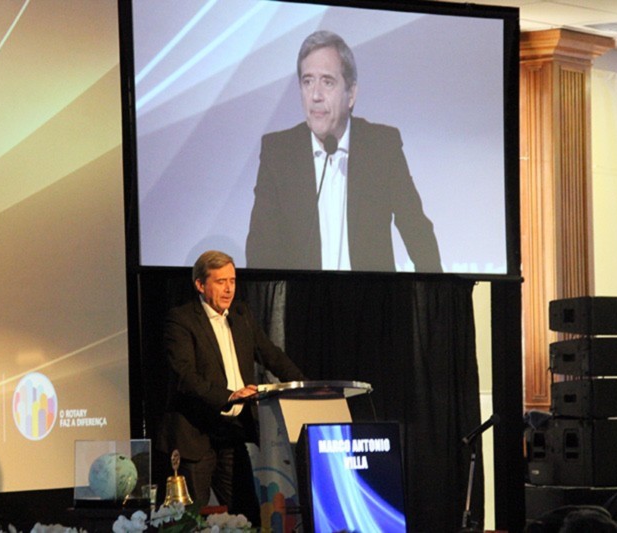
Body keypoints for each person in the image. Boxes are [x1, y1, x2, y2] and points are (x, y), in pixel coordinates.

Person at [245, 30, 442, 273]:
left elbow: (417, 231)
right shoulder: (279, 153)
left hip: (369, 294)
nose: (315, 95)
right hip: (304, 296)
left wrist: (435, 290)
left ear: (351, 94)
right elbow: (260, 250)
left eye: (327, 82)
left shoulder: (381, 147)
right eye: (308, 81)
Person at [156, 250, 305, 523]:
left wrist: (303, 385)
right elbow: (184, 375)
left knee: (248, 517)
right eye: (220, 281)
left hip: (230, 434)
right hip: (194, 435)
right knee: (187, 522)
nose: (229, 289)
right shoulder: (182, 319)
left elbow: (271, 354)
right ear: (200, 285)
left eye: (233, 281)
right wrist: (229, 396)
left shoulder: (241, 315)